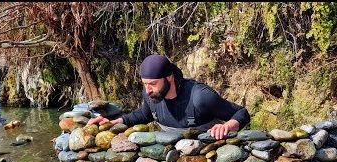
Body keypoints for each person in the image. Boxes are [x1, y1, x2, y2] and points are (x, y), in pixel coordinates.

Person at [87, 54, 250, 140]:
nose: (147, 90)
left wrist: (226, 127)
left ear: (169, 78)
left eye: (152, 83)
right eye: (144, 84)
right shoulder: (150, 94)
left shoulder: (200, 97)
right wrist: (113, 122)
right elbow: (144, 115)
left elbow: (242, 113)